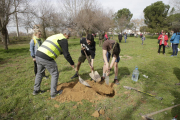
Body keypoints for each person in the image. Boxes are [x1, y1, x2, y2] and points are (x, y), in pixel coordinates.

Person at [33, 30, 75, 99]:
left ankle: (36, 90)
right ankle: (53, 93)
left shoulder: (55, 36)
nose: (68, 38)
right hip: (46, 57)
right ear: (65, 34)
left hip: (38, 54)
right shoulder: (63, 39)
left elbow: (56, 47)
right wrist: (72, 63)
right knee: (54, 73)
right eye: (68, 36)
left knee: (39, 73)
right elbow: (66, 54)